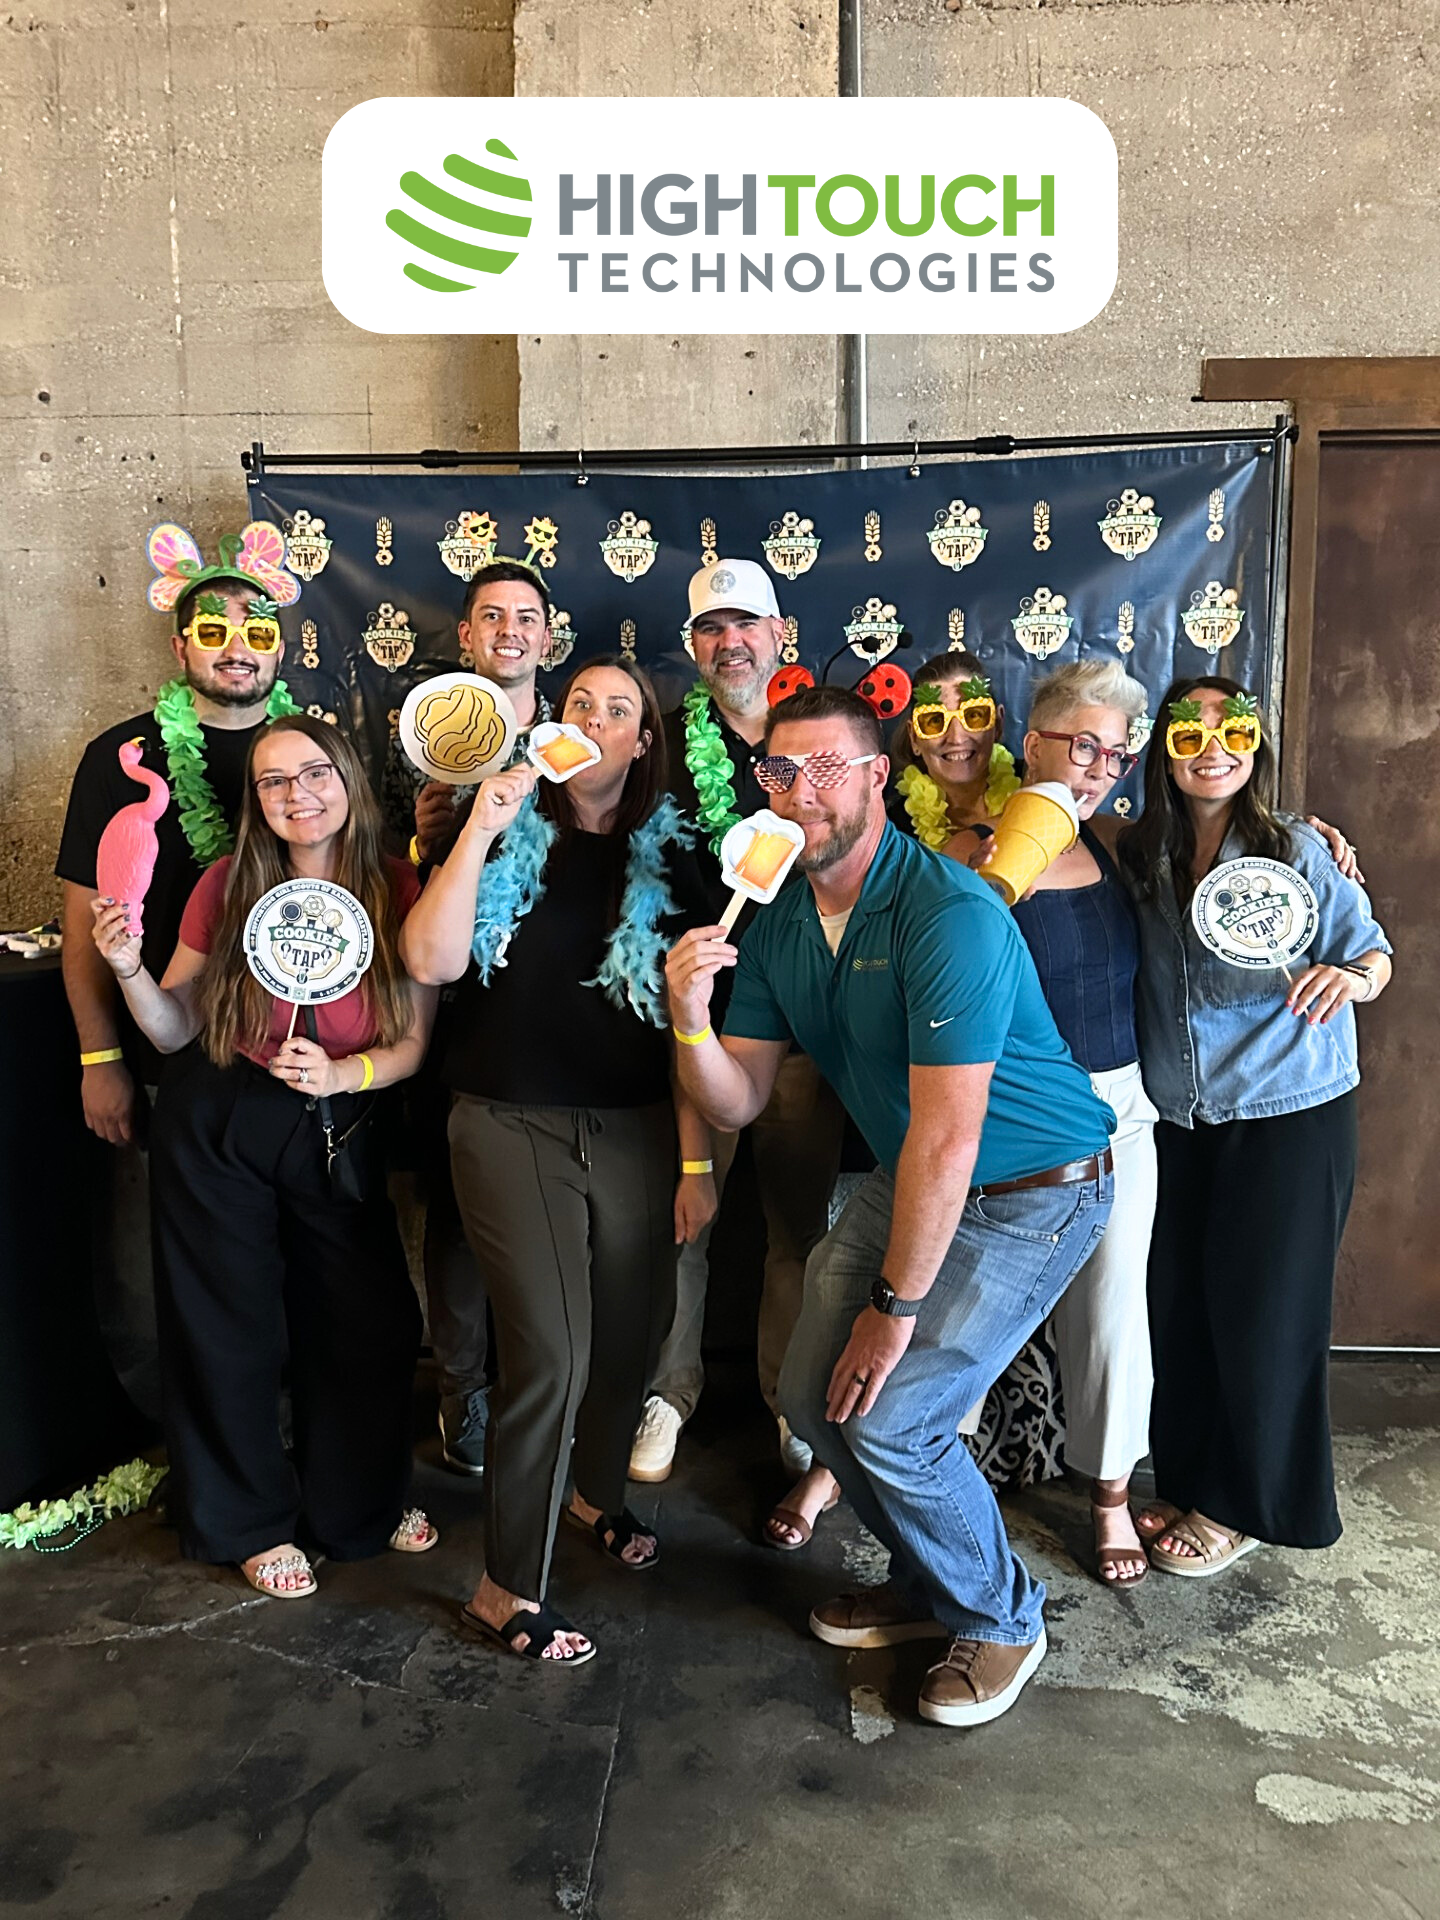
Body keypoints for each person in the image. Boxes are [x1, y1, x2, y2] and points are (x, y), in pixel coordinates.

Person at [666, 683, 1116, 1728]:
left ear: (877, 777)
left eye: (829, 769)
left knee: (897, 1418)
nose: (803, 793)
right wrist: (688, 1015)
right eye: (782, 772)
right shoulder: (776, 919)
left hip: (1031, 1190)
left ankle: (1002, 1617)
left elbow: (954, 1139)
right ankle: (928, 1585)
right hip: (917, 1176)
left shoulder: (947, 915)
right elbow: (734, 1100)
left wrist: (893, 1307)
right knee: (811, 1397)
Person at [400, 656, 717, 1668]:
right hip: (507, 1122)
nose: (596, 718)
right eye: (581, 702)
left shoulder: (680, 859)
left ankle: (595, 1497)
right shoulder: (494, 829)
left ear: (640, 742)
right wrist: (482, 825)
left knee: (630, 1336)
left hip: (637, 1126)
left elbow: (687, 1027)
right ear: (553, 722)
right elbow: (430, 960)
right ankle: (505, 1587)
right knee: (552, 1354)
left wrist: (696, 1163)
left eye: (618, 710)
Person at [89, 714, 439, 1599]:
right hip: (223, 1113)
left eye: (315, 773)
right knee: (226, 1324)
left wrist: (342, 1073)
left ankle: (359, 1502)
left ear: (349, 779)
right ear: (255, 800)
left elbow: (412, 1045)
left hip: (339, 1114)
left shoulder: (398, 887)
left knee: (365, 1321)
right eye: (274, 781)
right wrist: (128, 968)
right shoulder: (226, 883)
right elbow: (175, 1027)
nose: (297, 794)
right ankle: (245, 1521)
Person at [1119, 675, 1392, 1577]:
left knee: (1266, 1318)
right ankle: (1192, 1478)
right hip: (1181, 1116)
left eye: (1231, 732)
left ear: (1256, 744)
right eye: (1188, 735)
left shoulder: (1298, 848)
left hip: (1289, 1112)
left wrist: (1353, 978)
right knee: (1183, 1307)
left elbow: (1372, 951)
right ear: (1162, 750)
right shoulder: (1142, 852)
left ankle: (1242, 1507)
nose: (1213, 750)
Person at [55, 521, 304, 1417]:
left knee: (298, 1271)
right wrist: (100, 1058)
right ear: (180, 647)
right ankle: (196, 1445)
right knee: (186, 1277)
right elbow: (81, 927)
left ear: (282, 647)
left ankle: (292, 1440)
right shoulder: (119, 759)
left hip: (299, 1063)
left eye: (258, 630)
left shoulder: (310, 759)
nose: (238, 647)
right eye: (213, 630)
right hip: (172, 1060)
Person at [631, 559, 847, 1558]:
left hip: (805, 1027)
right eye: (712, 630)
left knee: (797, 1231)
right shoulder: (666, 751)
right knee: (687, 1214)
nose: (731, 644)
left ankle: (788, 1402)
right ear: (693, 647)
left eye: (746, 625)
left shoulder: (817, 745)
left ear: (780, 634)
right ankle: (666, 1394)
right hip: (701, 1023)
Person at [380, 559, 555, 1478]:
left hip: (555, 1002)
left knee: (554, 1213)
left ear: (548, 636)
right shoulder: (419, 735)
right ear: (466, 635)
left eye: (526, 616)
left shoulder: (579, 734)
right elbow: (381, 869)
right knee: (455, 1211)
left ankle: (544, 1388)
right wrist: (426, 833)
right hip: (450, 1005)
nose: (509, 631)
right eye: (492, 616)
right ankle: (463, 1396)